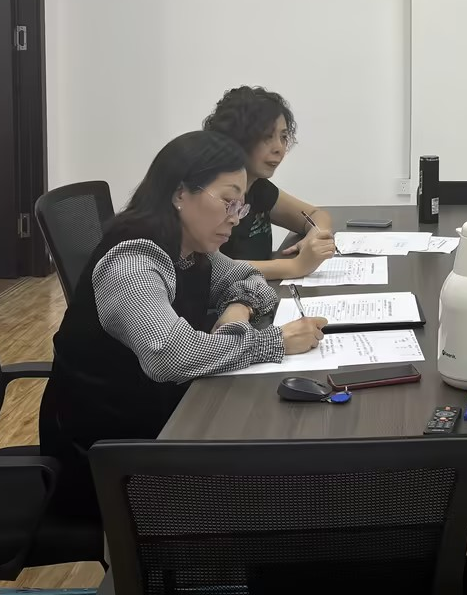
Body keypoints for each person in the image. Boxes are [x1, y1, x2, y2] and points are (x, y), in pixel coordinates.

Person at [39, 130, 328, 519]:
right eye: (227, 201)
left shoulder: (190, 247)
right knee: (282, 487)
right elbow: (171, 356)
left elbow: (252, 282)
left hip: (162, 422)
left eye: (240, 206)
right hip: (108, 461)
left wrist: (236, 310)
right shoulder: (132, 262)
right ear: (179, 193)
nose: (234, 218)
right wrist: (274, 341)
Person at [203, 85, 336, 280]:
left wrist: (314, 238)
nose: (279, 148)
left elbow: (316, 215)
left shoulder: (258, 187)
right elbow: (213, 267)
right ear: (237, 138)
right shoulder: (210, 195)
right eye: (267, 137)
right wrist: (296, 266)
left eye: (283, 137)